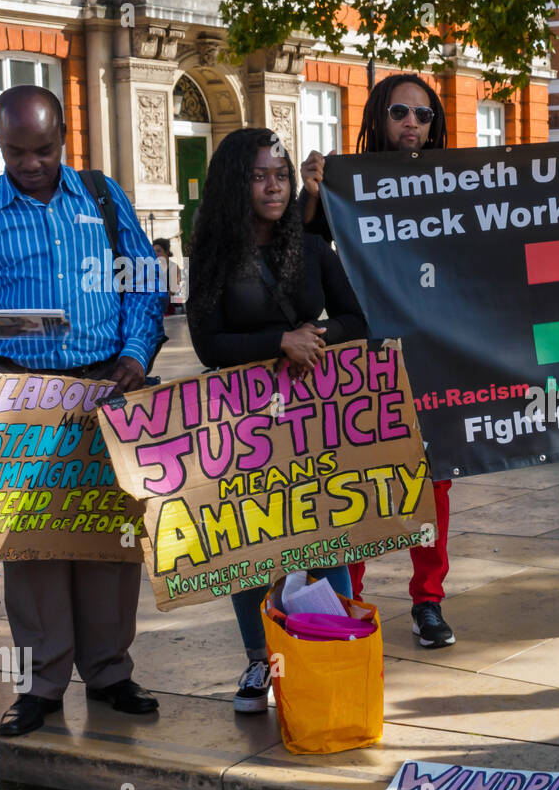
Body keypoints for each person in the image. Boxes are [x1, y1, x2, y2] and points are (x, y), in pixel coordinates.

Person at [0, 85, 164, 735]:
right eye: (16, 151)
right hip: (21, 391)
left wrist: (137, 355)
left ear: (65, 135)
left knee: (108, 539)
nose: (31, 163)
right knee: (29, 549)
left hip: (105, 388)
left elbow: (144, 283)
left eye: (43, 149)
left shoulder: (102, 196)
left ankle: (112, 672)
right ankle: (41, 685)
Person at [187, 127, 368, 712]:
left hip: (310, 414)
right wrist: (277, 342)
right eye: (260, 175)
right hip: (242, 420)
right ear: (236, 183)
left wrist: (313, 336)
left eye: (282, 175)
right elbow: (209, 343)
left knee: (322, 535)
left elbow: (356, 317)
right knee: (249, 545)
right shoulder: (212, 252)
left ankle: (334, 649)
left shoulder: (312, 246)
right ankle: (260, 663)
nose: (273, 186)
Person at [299, 73, 457, 650]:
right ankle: (349, 603)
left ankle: (428, 602)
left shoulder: (454, 183)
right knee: (359, 480)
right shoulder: (344, 185)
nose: (412, 123)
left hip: (431, 356)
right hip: (361, 358)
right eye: (399, 112)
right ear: (378, 119)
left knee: (433, 482)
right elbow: (299, 247)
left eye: (423, 114)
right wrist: (313, 192)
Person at [152, 237, 184, 315]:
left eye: (159, 251)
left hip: (169, 306)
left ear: (166, 252)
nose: (156, 254)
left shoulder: (174, 268)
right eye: (154, 251)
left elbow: (173, 291)